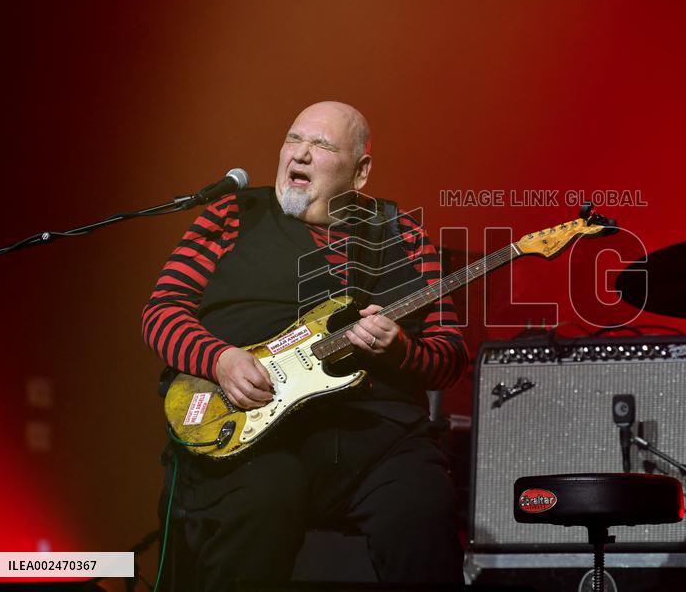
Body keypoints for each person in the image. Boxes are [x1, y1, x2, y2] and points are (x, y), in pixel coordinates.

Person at [141, 101, 468, 590]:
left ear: (360, 172)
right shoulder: (232, 214)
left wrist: (401, 350)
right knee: (265, 498)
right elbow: (162, 311)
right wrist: (220, 358)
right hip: (254, 438)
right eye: (294, 139)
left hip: (376, 441)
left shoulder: (405, 234)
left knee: (423, 503)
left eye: (322, 145)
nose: (301, 154)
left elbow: (450, 355)